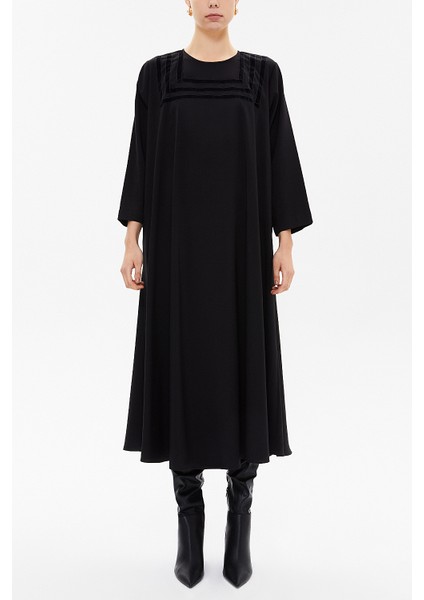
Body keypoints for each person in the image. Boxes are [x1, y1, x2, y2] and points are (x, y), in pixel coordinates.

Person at [117, 0, 313, 589]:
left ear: (237, 3)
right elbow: (141, 156)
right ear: (186, 2)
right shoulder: (158, 76)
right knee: (182, 368)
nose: (212, 3)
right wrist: (132, 239)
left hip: (240, 255)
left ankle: (240, 517)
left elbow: (280, 156)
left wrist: (284, 243)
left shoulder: (262, 75)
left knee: (241, 368)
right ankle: (189, 520)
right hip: (176, 255)